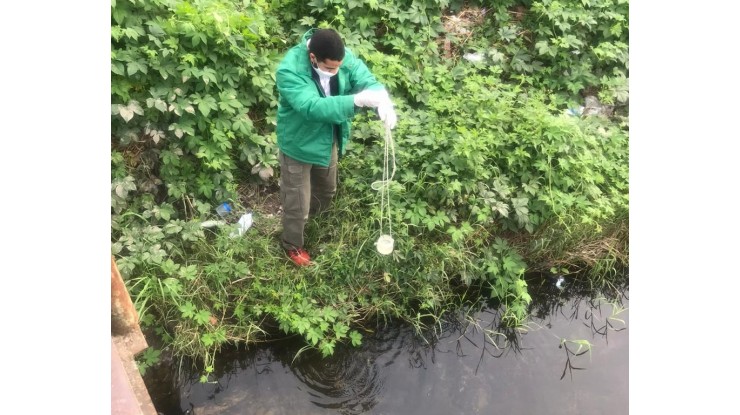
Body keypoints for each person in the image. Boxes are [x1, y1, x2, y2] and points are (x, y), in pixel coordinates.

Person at [275, 28, 397, 266]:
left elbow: (365, 78)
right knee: (297, 203)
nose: (335, 71)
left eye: (338, 66)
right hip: (297, 143)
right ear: (313, 58)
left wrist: (380, 97)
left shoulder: (341, 58)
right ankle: (292, 245)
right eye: (330, 68)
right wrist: (356, 100)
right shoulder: (289, 70)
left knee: (327, 189)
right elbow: (311, 107)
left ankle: (317, 224)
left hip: (327, 137)